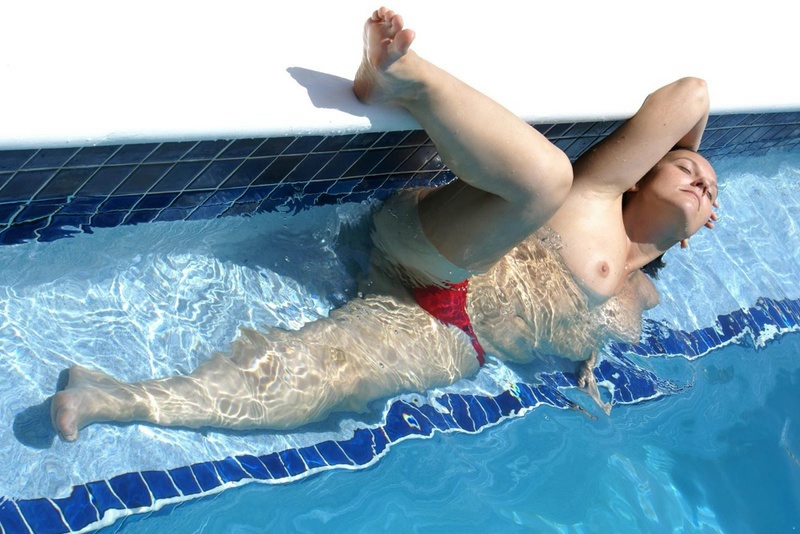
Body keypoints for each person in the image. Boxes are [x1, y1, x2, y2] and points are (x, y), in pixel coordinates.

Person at [50, 7, 717, 441]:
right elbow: (692, 94)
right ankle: (405, 77)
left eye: (711, 190)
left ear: (700, 231)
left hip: (452, 337)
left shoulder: (643, 299)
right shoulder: (601, 194)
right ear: (646, 172)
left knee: (321, 382)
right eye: (687, 167)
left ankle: (121, 398)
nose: (700, 179)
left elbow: (569, 332)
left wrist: (585, 359)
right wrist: (684, 154)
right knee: (547, 178)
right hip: (445, 259)